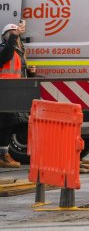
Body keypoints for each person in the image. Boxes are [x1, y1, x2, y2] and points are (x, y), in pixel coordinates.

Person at [0, 21, 30, 167]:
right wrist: (14, 36)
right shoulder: (2, 49)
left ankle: (3, 154)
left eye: (15, 34)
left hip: (13, 91)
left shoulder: (18, 53)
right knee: (6, 122)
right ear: (4, 37)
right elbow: (6, 55)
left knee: (9, 123)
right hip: (4, 91)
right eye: (10, 34)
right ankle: (3, 155)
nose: (14, 36)